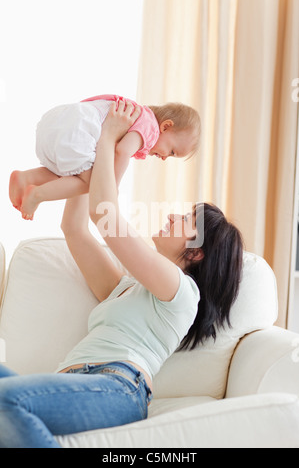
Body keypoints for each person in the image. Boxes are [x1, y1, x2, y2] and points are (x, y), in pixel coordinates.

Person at [0, 101, 243, 448]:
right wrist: (97, 151)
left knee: (4, 402)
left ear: (197, 251)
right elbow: (75, 228)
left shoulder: (181, 291)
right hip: (75, 382)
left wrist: (109, 137)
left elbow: (105, 215)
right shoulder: (126, 288)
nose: (173, 217)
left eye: (187, 220)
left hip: (117, 387)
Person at [8, 94, 201, 220]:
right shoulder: (149, 128)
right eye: (173, 152)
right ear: (166, 127)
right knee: (93, 183)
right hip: (78, 132)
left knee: (73, 176)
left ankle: (27, 178)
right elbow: (123, 151)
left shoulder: (136, 112)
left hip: (57, 124)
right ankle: (37, 194)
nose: (166, 158)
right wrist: (112, 186)